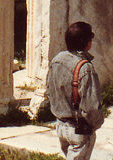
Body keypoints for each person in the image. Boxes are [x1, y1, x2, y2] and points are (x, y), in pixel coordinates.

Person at [47, 21, 104, 160]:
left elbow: (49, 90)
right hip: (79, 130)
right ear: (86, 42)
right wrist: (96, 124)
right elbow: (91, 108)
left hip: (60, 126)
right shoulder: (85, 68)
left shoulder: (57, 60)